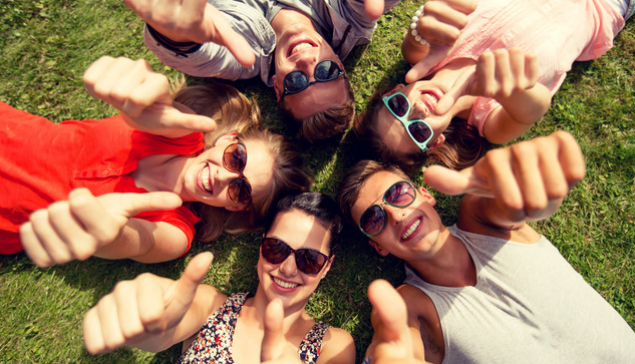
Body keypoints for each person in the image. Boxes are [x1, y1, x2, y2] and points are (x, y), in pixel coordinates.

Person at [336, 131, 635, 362]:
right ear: (379, 247)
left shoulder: (482, 220)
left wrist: (523, 187)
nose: (394, 214)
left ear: (425, 196)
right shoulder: (409, 305)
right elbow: (398, 343)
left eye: (398, 193)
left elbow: (507, 201)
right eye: (374, 219)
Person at [1, 56, 311, 268]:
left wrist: (112, 234)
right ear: (228, 140)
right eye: (236, 158)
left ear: (236, 208)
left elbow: (141, 242)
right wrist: (145, 93)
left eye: (240, 190)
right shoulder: (182, 131)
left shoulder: (176, 232)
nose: (223, 177)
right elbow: (156, 111)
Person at [354, 0, 635, 172]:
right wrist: (507, 88)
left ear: (395, 92)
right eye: (418, 130)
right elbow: (537, 106)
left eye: (400, 107)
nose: (418, 109)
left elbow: (423, 31)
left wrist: (423, 26)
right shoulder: (490, 121)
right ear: (436, 142)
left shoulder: (422, 55)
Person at [82, 192, 356, 364]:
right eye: (277, 248)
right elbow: (162, 332)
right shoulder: (213, 305)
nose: (286, 268)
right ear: (261, 246)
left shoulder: (332, 346)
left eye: (309, 259)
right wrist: (144, 322)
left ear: (327, 266)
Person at [123, 0, 400, 142]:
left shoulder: (243, 57)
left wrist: (177, 36)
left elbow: (202, 57)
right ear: (341, 66)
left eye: (297, 81)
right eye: (326, 71)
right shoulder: (353, 18)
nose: (307, 63)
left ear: (278, 88)